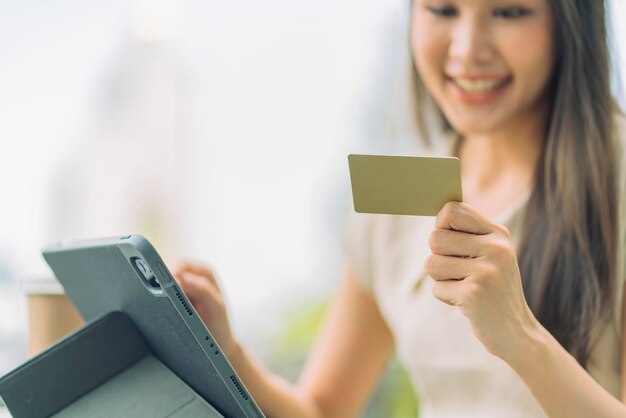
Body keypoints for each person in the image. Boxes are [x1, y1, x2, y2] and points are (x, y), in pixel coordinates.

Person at [174, 1, 626, 417]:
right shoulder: (396, 200)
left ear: (570, 22)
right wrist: (225, 349)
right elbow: (323, 409)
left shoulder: (616, 179)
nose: (468, 51)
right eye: (443, 10)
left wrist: (522, 338)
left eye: (508, 12)